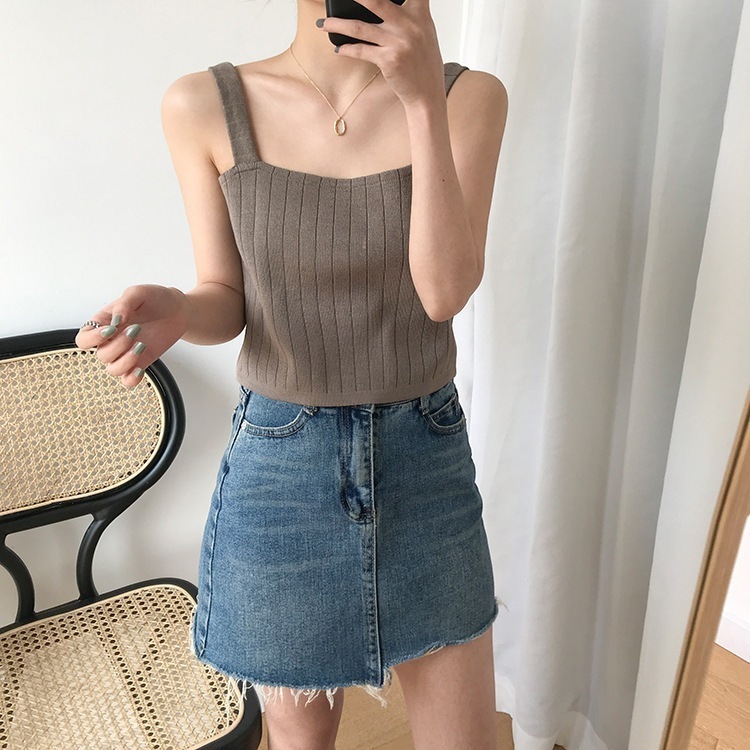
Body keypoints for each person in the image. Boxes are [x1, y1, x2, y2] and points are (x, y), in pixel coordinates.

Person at [75, 0, 507, 747]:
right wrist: (181, 308)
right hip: (281, 469)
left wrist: (420, 101)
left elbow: (442, 293)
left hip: (424, 462)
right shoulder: (202, 104)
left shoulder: (470, 97)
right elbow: (226, 296)